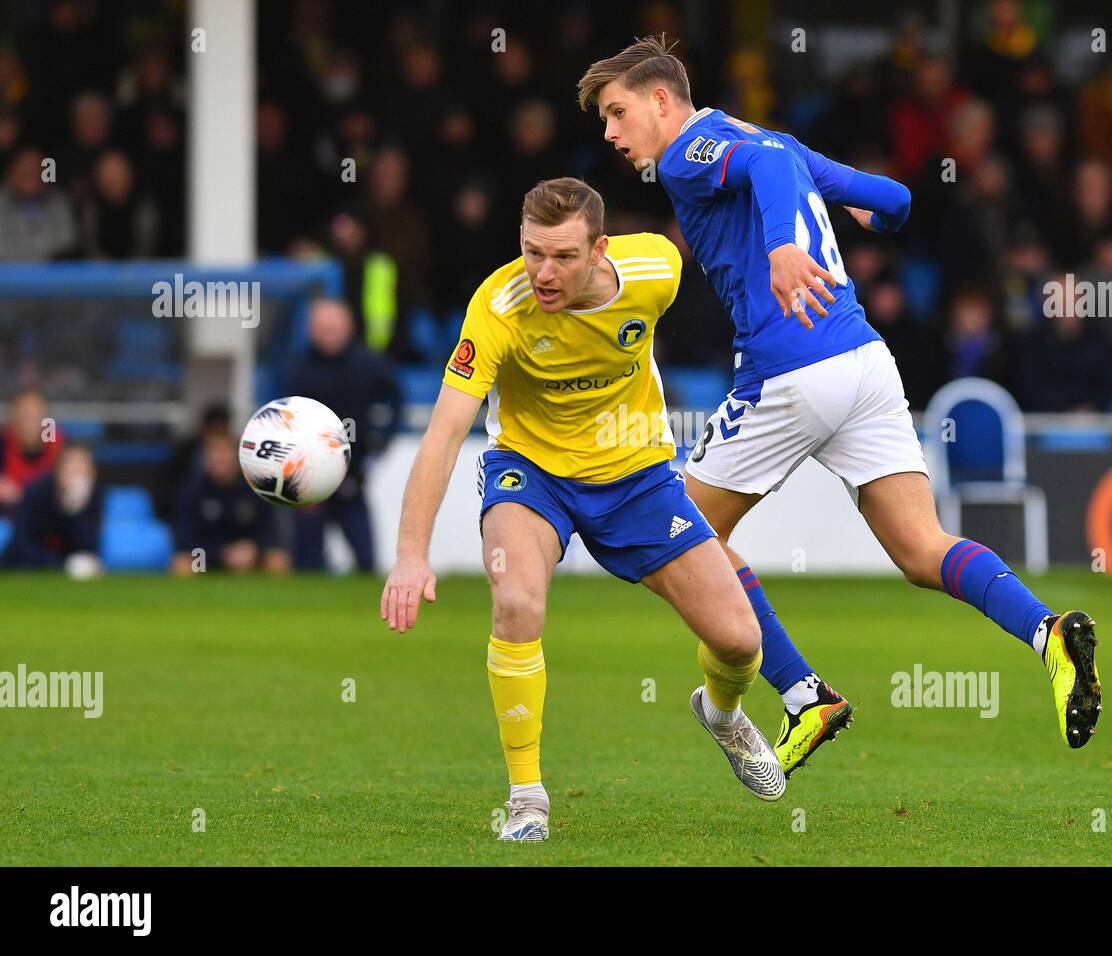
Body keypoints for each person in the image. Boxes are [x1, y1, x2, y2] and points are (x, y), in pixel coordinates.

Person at [579, 35, 1103, 759]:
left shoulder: (687, 153)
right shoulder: (771, 137)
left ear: (662, 101)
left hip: (790, 370)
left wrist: (785, 245)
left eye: (617, 111)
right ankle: (1049, 635)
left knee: (683, 539)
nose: (610, 133)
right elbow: (894, 199)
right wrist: (867, 220)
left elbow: (763, 171)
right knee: (923, 550)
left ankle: (803, 696)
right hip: (863, 361)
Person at [379, 178, 785, 842]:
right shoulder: (498, 308)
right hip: (531, 472)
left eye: (563, 256)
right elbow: (444, 433)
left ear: (600, 249)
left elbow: (738, 260)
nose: (543, 272)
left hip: (636, 476)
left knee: (740, 641)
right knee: (516, 602)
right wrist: (410, 555)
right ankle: (527, 797)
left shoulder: (656, 268)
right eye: (532, 251)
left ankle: (720, 711)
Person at [283, 297, 402, 572]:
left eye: (334, 329)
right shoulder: (297, 368)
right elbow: (285, 421)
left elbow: (396, 399)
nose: (329, 336)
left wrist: (380, 439)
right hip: (309, 480)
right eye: (323, 329)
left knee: (366, 562)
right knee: (306, 566)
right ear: (311, 330)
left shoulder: (368, 364)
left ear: (348, 328)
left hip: (352, 476)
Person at [171, 430, 290, 574]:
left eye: (225, 452)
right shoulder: (192, 489)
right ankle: (194, 596)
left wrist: (253, 549)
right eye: (214, 452)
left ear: (237, 455)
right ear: (205, 457)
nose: (220, 458)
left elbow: (271, 532)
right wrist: (222, 553)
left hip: (249, 557)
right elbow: (185, 539)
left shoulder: (256, 487)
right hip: (208, 557)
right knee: (183, 564)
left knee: (278, 560)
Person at [6, 443, 102, 574]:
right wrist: (63, 564)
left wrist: (74, 509)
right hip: (23, 571)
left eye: (82, 470)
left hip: (65, 578)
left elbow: (89, 550)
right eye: (71, 469)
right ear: (58, 470)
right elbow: (21, 546)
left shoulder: (93, 496)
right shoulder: (35, 492)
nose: (76, 476)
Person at [0, 388, 63, 517]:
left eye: (32, 417)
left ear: (44, 419)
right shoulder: (3, 442)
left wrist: (22, 494)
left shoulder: (56, 443)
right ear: (14, 419)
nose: (27, 423)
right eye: (23, 416)